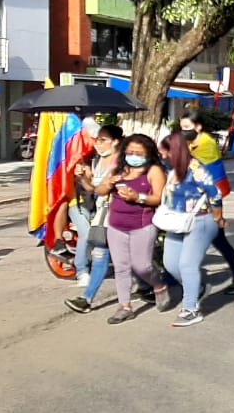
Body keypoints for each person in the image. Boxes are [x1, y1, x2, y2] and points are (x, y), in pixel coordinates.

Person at [97, 134, 169, 324]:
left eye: (139, 153)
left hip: (142, 225)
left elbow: (159, 198)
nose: (134, 156)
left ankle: (158, 285)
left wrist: (138, 197)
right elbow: (100, 191)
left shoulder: (154, 171)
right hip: (116, 225)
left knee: (142, 266)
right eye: (130, 152)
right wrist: (108, 183)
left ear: (149, 153)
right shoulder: (119, 169)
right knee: (121, 267)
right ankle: (125, 306)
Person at [179, 111, 234, 294]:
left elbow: (192, 167)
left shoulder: (206, 144)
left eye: (186, 127)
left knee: (217, 241)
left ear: (198, 127)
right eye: (181, 128)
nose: (183, 131)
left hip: (210, 201)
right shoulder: (191, 143)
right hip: (194, 200)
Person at [158, 132, 224, 327]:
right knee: (171, 264)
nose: (162, 155)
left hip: (199, 221)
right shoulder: (171, 169)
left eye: (165, 152)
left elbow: (215, 194)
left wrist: (218, 217)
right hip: (176, 221)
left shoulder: (196, 169)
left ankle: (190, 309)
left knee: (188, 265)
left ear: (175, 151)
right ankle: (196, 287)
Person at [63, 126, 125, 313]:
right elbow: (93, 189)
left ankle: (153, 287)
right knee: (100, 255)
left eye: (103, 140)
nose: (98, 143)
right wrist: (83, 178)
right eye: (97, 139)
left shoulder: (122, 163)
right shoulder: (98, 161)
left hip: (122, 216)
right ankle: (87, 298)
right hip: (103, 216)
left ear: (115, 141)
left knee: (136, 262)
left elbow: (103, 189)